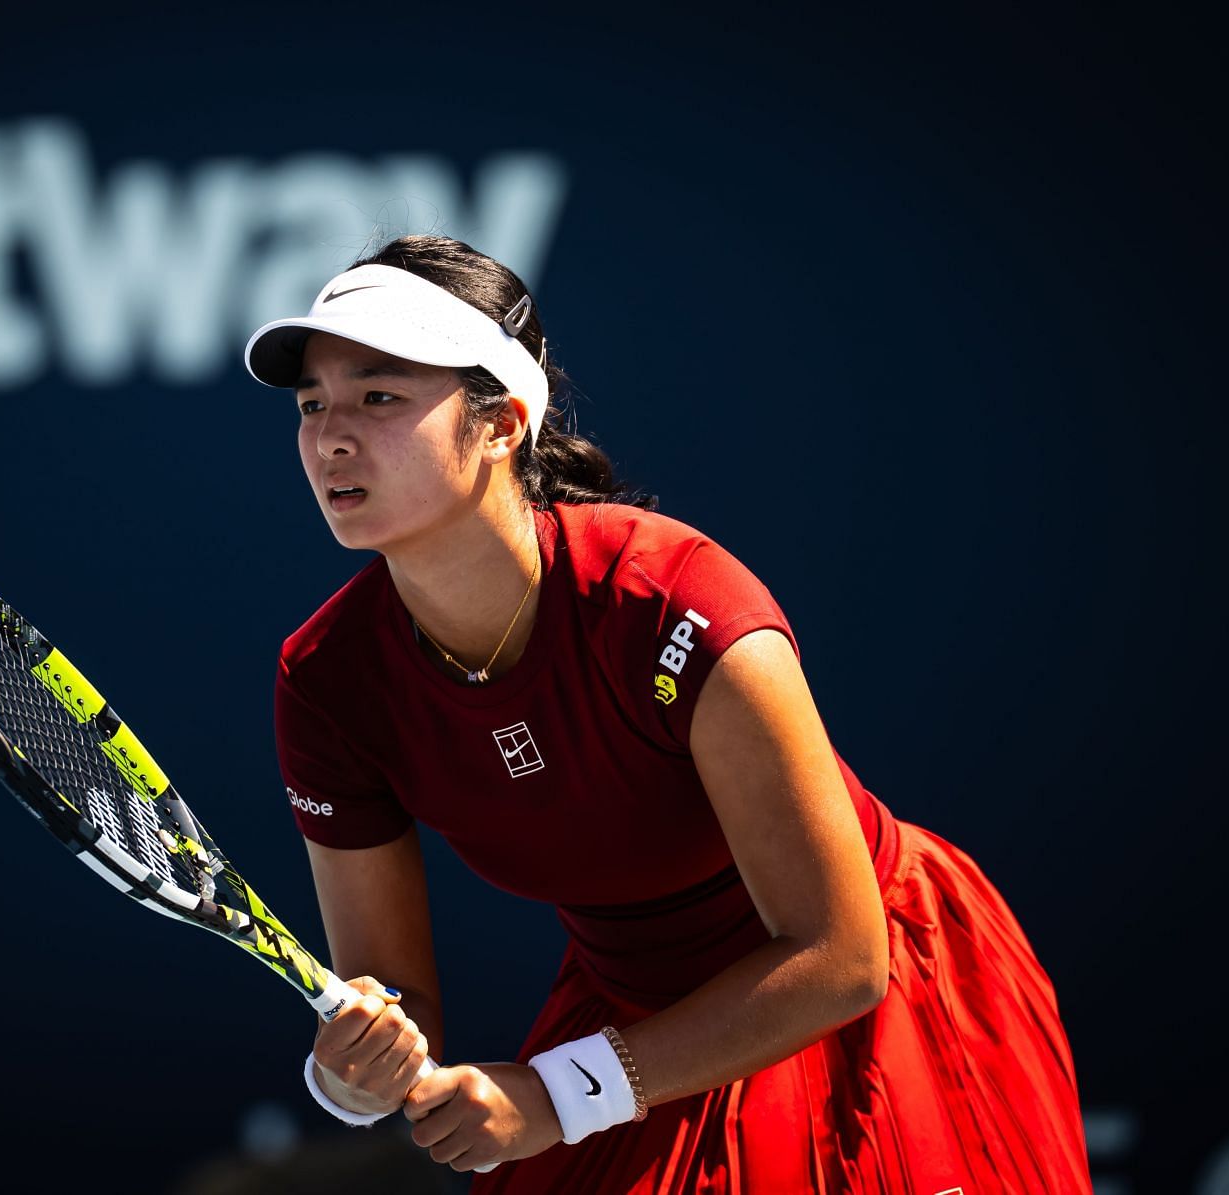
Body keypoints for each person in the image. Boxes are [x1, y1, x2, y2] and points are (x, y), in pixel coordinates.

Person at [242, 234, 1091, 1193]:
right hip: (633, 1013)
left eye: (379, 396)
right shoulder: (326, 680)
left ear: (502, 423)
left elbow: (841, 954)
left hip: (873, 977)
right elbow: (395, 997)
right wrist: (354, 1070)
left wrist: (562, 1095)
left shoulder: (674, 600)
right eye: (313, 405)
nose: (331, 436)